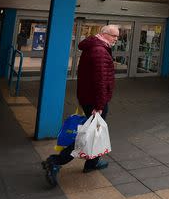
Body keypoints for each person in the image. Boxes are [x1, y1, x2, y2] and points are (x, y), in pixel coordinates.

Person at [42, 25, 119, 187]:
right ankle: (55, 161)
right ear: (104, 34)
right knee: (88, 135)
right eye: (114, 36)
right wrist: (99, 104)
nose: (116, 39)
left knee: (95, 132)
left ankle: (92, 163)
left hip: (89, 97)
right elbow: (100, 81)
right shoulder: (99, 51)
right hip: (95, 100)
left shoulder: (95, 47)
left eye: (117, 37)